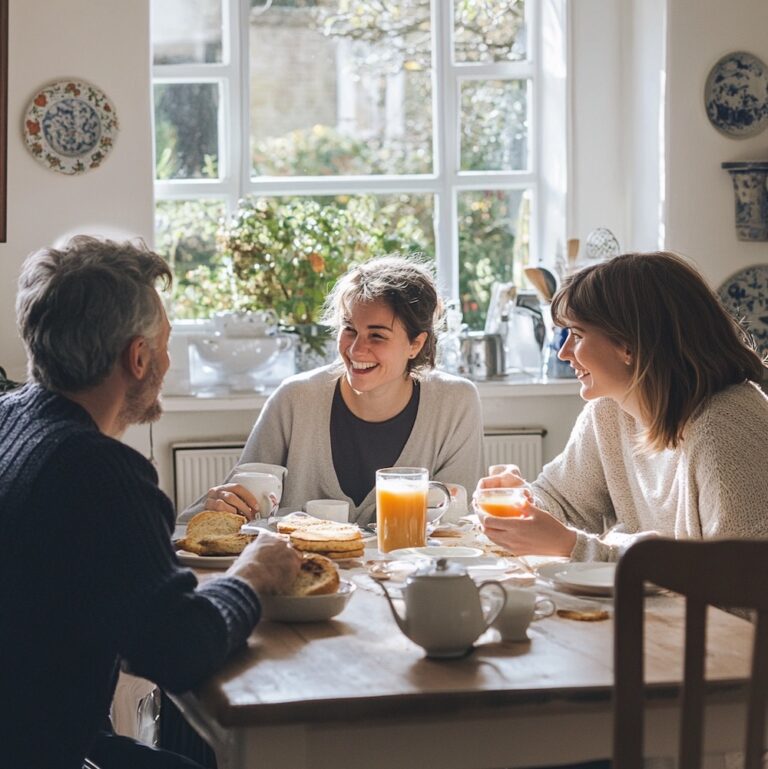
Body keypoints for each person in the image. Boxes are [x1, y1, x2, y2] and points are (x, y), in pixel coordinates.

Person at [0, 236, 301, 769]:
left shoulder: (10, 417)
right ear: (138, 358)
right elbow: (177, 651)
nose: (166, 358)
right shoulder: (97, 470)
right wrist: (253, 574)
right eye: (164, 343)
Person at [478, 251, 768, 561]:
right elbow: (564, 503)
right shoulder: (610, 410)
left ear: (628, 344)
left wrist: (578, 547)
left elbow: (741, 583)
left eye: (576, 335)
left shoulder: (726, 427)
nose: (564, 352)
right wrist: (521, 499)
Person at [183, 255, 484, 527]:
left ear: (415, 344)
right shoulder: (295, 399)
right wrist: (223, 505)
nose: (355, 349)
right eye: (349, 329)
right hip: (304, 579)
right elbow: (212, 517)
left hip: (407, 579)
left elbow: (455, 526)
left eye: (377, 335)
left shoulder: (454, 403)